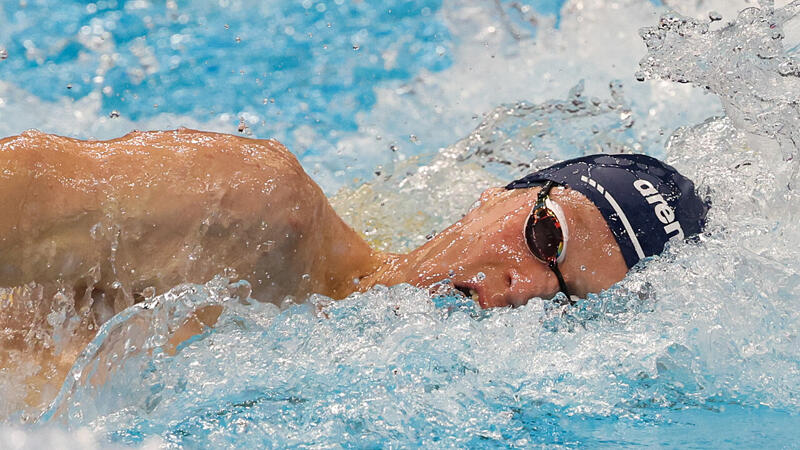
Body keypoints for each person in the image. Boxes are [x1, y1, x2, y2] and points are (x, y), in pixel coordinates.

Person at [0, 128, 707, 408]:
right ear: (501, 193)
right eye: (546, 237)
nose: (523, 289)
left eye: (567, 301)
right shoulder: (257, 210)